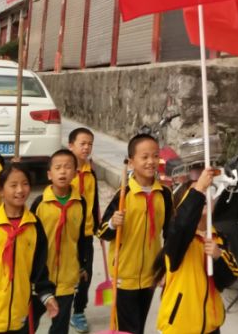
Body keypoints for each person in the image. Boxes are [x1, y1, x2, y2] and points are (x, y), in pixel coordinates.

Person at [0, 163, 59, 333]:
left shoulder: (34, 225)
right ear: (1, 191)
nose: (20, 190)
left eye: (25, 184)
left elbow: (39, 267)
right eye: (13, 185)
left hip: (19, 311)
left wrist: (47, 296)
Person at [97, 134, 173, 334]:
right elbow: (102, 232)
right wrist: (113, 224)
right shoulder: (124, 194)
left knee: (138, 324)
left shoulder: (164, 194)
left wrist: (165, 268)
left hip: (150, 275)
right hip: (124, 276)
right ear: (131, 162)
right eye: (145, 157)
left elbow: (169, 234)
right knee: (128, 328)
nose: (151, 161)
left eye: (155, 156)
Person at [155, 166, 238, 334]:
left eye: (208, 193)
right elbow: (183, 224)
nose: (203, 197)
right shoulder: (178, 237)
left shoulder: (218, 238)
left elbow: (229, 279)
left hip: (211, 326)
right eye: (197, 196)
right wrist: (199, 188)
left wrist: (218, 257)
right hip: (179, 328)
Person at [31, 150, 86, 334]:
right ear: (49, 174)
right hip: (40, 276)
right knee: (29, 323)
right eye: (58, 168)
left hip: (67, 276)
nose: (63, 172)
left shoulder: (80, 203)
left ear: (75, 173)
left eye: (68, 167)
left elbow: (81, 238)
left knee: (60, 326)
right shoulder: (39, 203)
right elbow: (30, 239)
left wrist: (82, 264)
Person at [68, 126, 99, 334]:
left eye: (90, 144)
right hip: (65, 233)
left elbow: (94, 200)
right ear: (71, 146)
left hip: (86, 232)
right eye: (83, 143)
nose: (86, 148)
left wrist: (98, 224)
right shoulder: (63, 170)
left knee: (85, 273)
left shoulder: (90, 173)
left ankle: (79, 310)